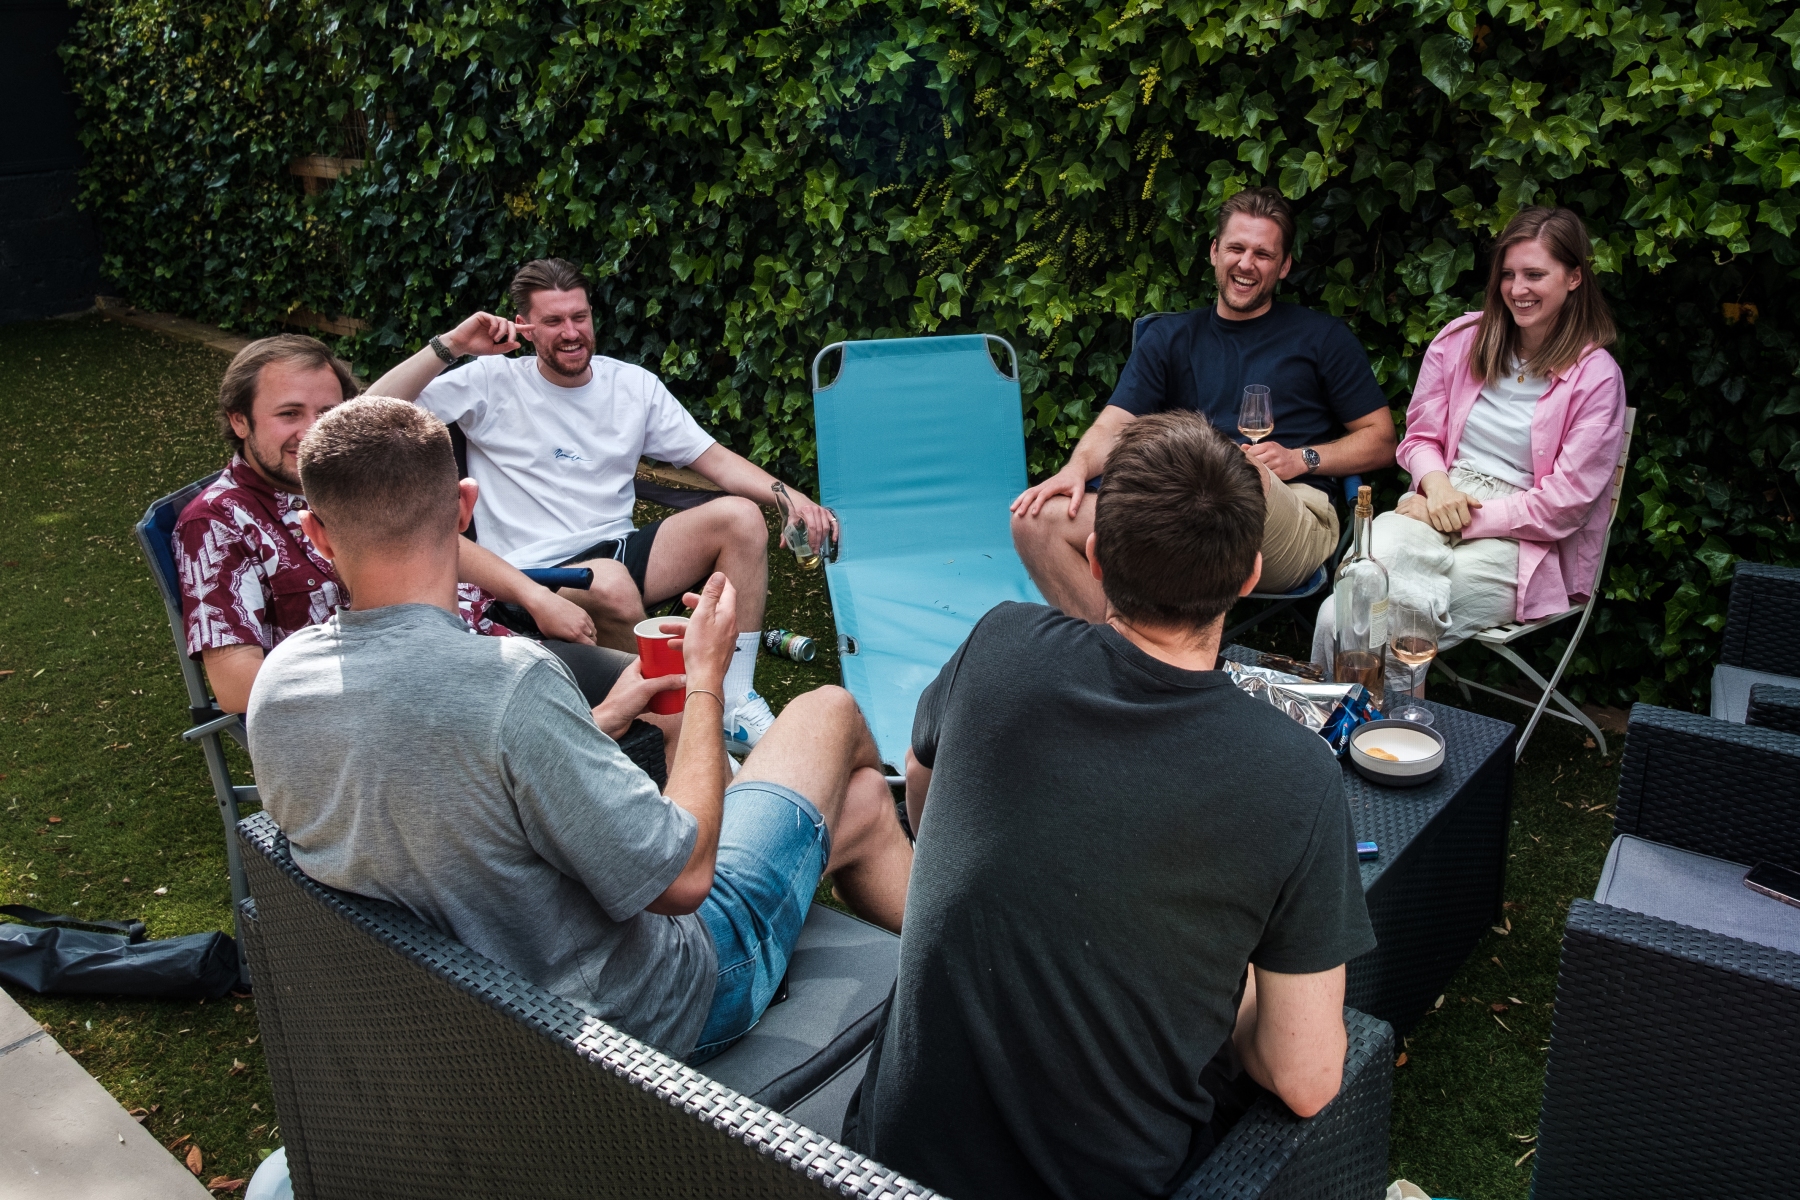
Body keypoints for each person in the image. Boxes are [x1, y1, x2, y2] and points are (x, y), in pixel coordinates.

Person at [245, 396, 913, 1060]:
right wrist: (707, 682)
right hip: (642, 1018)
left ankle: (947, 958)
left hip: (459, 1024)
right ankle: (960, 944)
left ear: (317, 533)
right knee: (828, 711)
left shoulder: (279, 682)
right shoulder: (510, 683)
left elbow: (442, 780)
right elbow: (683, 881)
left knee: (856, 803)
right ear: (464, 508)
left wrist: (600, 720)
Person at [847, 411, 1377, 1200]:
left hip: (883, 1164)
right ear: (1249, 576)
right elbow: (1305, 1080)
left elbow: (924, 808)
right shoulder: (1296, 775)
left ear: (1094, 557)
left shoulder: (998, 644)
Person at [367, 258, 836, 753]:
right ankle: (672, 724)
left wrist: (789, 494)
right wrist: (453, 345)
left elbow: (714, 458)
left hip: (619, 548)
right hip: (533, 573)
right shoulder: (489, 381)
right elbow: (367, 414)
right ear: (524, 327)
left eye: (580, 317)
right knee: (609, 584)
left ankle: (732, 705)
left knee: (740, 517)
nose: (571, 333)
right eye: (553, 321)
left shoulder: (632, 386)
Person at [174, 334, 619, 715]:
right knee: (628, 717)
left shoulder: (342, 471)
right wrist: (400, 687)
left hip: (484, 645)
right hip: (415, 705)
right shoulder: (216, 523)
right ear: (239, 419)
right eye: (289, 413)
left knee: (649, 683)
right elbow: (237, 686)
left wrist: (534, 596)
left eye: (326, 412)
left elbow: (437, 540)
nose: (312, 432)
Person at [1010, 187, 1397, 615]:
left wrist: (1302, 458)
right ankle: (1126, 650)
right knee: (1034, 521)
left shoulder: (1322, 338)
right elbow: (1114, 424)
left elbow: (1381, 439)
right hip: (1181, 510)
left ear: (1284, 265)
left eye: (1263, 254)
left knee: (1234, 465)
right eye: (1236, 248)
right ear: (1215, 252)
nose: (1246, 263)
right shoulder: (1169, 338)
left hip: (1285, 514)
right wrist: (1077, 468)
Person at [1309, 207, 1626, 698]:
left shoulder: (1596, 377)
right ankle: (1351, 728)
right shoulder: (1462, 341)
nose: (1517, 288)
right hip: (1438, 495)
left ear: (1574, 277)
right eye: (1508, 274)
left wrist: (1457, 519)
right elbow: (1420, 438)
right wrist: (1438, 490)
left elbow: (1566, 504)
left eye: (1535, 275)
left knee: (1368, 621)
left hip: (1522, 535)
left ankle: (1374, 733)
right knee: (1355, 590)